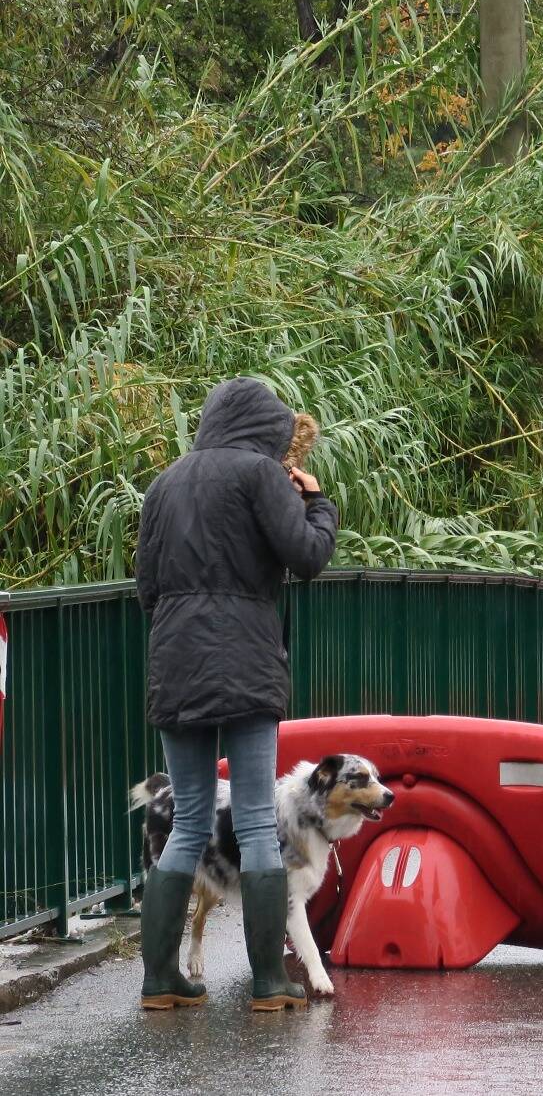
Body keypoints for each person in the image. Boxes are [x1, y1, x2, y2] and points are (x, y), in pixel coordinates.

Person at [134, 378, 338, 1011]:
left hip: (176, 660)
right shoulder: (261, 475)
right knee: (253, 817)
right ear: (265, 430)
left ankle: (160, 981)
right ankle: (268, 983)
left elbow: (146, 583)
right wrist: (318, 502)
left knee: (189, 820)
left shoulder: (165, 482)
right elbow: (306, 555)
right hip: (247, 663)